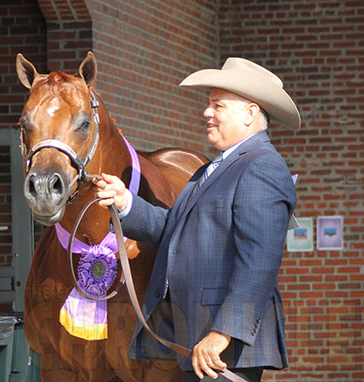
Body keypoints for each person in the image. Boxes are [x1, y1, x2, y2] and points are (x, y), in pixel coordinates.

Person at [95, 57, 301, 382]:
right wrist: (125, 204)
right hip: (195, 336)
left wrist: (223, 333)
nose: (207, 112)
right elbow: (174, 232)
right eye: (208, 104)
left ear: (250, 113)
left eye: (218, 105)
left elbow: (259, 261)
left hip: (223, 345)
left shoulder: (262, 166)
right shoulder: (213, 170)